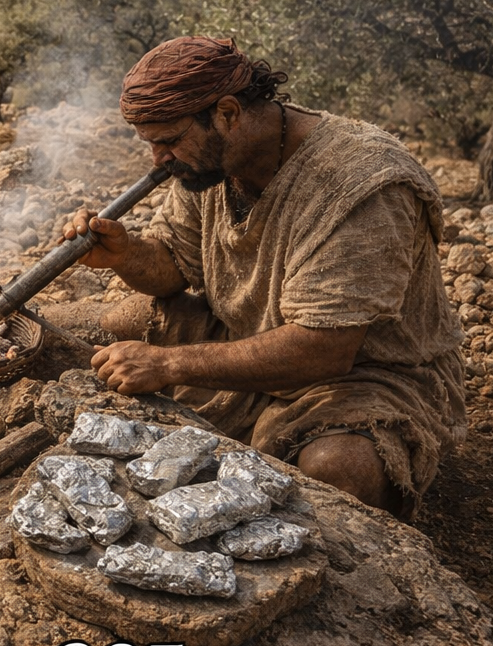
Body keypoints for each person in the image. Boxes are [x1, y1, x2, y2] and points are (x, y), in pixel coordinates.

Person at [59, 36, 465, 519]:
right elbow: (173, 268)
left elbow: (325, 351)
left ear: (228, 113)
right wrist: (125, 254)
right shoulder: (208, 164)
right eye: (151, 143)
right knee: (124, 320)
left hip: (365, 373)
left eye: (168, 140)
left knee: (338, 468)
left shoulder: (363, 186)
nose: (157, 159)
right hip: (250, 335)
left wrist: (169, 366)